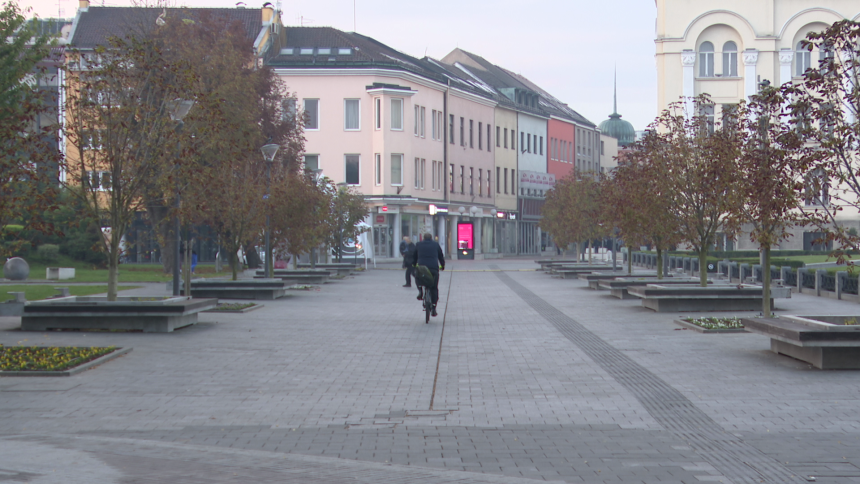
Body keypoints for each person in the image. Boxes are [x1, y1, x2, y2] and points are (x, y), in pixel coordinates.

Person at [412, 232, 445, 317]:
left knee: (418, 277)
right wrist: (442, 265)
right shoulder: (436, 245)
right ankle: (434, 307)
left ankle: (420, 291)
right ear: (431, 238)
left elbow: (414, 256)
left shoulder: (418, 244)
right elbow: (440, 256)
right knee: (434, 288)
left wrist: (414, 264)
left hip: (422, 268)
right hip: (433, 268)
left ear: (423, 238)